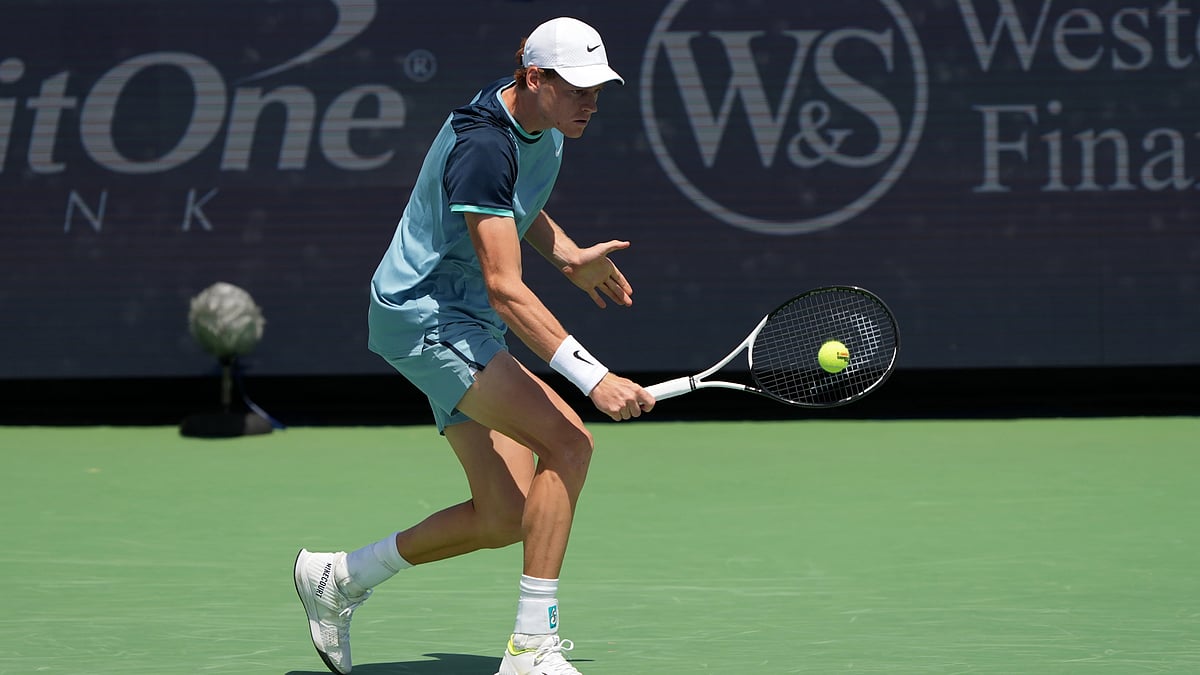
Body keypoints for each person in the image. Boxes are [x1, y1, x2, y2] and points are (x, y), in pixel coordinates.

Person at [293, 17, 654, 675]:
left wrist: (568, 253)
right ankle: (531, 649)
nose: (590, 102)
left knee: (503, 514)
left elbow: (511, 204)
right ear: (534, 78)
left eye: (597, 88)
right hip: (426, 316)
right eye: (576, 87)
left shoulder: (536, 121)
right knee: (569, 440)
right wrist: (592, 376)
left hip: (463, 316)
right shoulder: (484, 144)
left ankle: (339, 578)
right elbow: (507, 289)